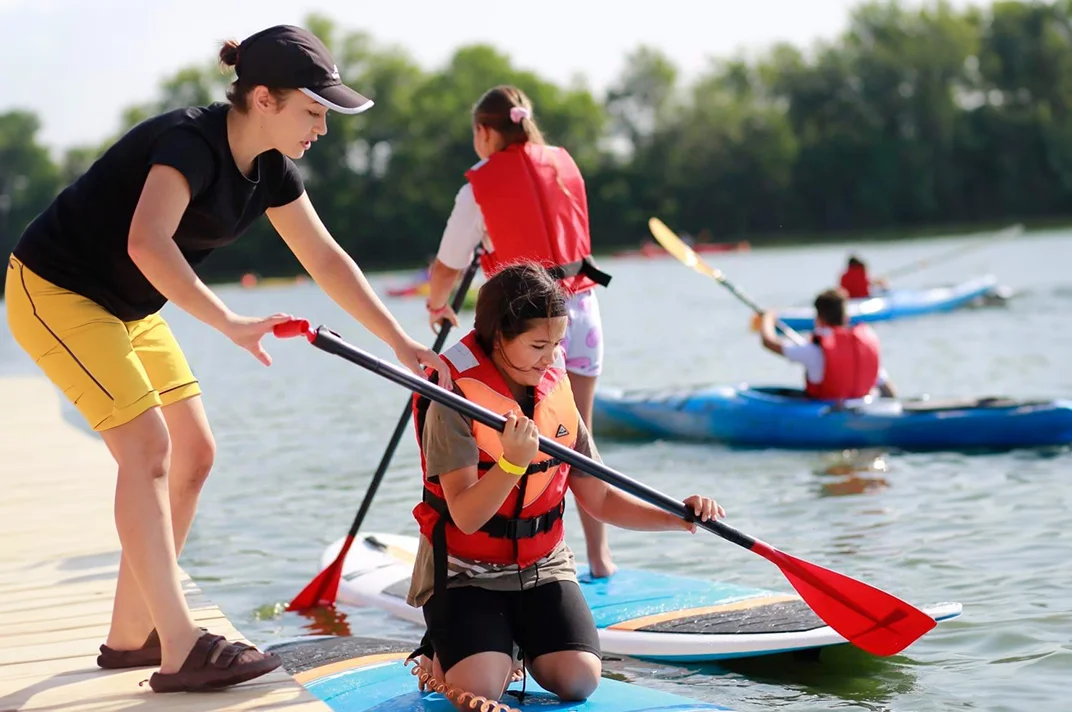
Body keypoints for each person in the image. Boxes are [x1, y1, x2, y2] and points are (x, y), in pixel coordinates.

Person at [4, 25, 448, 693]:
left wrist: (400, 342)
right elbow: (148, 242)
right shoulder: (189, 143)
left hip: (129, 308)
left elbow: (325, 259)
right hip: (57, 290)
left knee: (195, 451)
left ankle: (131, 634)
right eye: (314, 110)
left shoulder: (270, 170)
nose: (322, 127)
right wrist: (231, 321)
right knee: (147, 449)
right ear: (264, 99)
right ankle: (180, 645)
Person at [406, 263, 725, 708]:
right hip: (466, 574)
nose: (550, 358)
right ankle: (448, 654)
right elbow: (466, 513)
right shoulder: (452, 396)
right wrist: (512, 465)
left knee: (579, 680)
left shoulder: (555, 390)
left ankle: (511, 643)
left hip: (542, 566)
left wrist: (676, 516)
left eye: (557, 344)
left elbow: (599, 496)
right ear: (498, 336)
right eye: (538, 345)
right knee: (478, 690)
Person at [422, 84, 618, 579]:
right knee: (575, 441)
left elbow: (447, 265)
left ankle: (538, 553)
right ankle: (599, 558)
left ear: (485, 133)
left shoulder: (479, 185)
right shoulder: (562, 163)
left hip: (524, 325)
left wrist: (437, 303)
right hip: (582, 315)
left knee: (532, 434)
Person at [760, 289, 897, 400]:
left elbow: (769, 342)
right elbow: (889, 392)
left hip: (828, 416)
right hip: (862, 409)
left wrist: (768, 318)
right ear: (846, 318)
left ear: (818, 318)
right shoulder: (863, 347)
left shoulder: (813, 350)